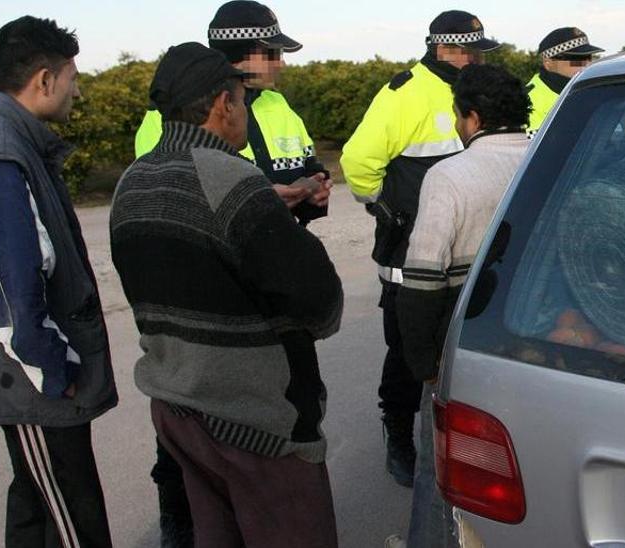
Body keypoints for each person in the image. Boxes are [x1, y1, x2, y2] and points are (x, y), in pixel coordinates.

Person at [110, 42, 344, 548]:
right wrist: (271, 213)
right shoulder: (232, 179)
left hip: (178, 409)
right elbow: (321, 306)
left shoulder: (132, 181)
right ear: (223, 104)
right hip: (255, 420)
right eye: (241, 103)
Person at [0, 16, 118, 548]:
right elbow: (9, 292)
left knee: (35, 500)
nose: (77, 89)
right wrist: (53, 369)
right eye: (72, 77)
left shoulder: (4, 140)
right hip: (34, 382)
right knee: (72, 514)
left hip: (29, 379)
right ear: (44, 80)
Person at [340, 9, 499, 489]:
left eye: (478, 50)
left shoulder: (476, 90)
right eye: (466, 50)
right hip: (414, 246)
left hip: (470, 243)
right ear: (440, 48)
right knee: (409, 347)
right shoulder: (405, 92)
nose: (473, 58)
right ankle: (398, 432)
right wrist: (387, 210)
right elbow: (358, 161)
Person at [390, 63, 533, 548]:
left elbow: (424, 278)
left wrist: (424, 363)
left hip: (467, 339)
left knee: (444, 465)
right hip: (541, 339)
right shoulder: (546, 159)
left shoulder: (449, 175)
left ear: (471, 117)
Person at [134, 0, 332, 227]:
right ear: (239, 54)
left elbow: (308, 162)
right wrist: (254, 201)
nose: (281, 64)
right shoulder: (168, 115)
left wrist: (315, 189)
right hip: (218, 256)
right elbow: (164, 203)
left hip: (279, 247)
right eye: (272, 54)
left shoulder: (277, 102)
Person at [526, 27, 603, 133]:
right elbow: (533, 144)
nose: (585, 63)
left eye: (588, 56)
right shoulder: (528, 101)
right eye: (576, 59)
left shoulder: (593, 90)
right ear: (548, 63)